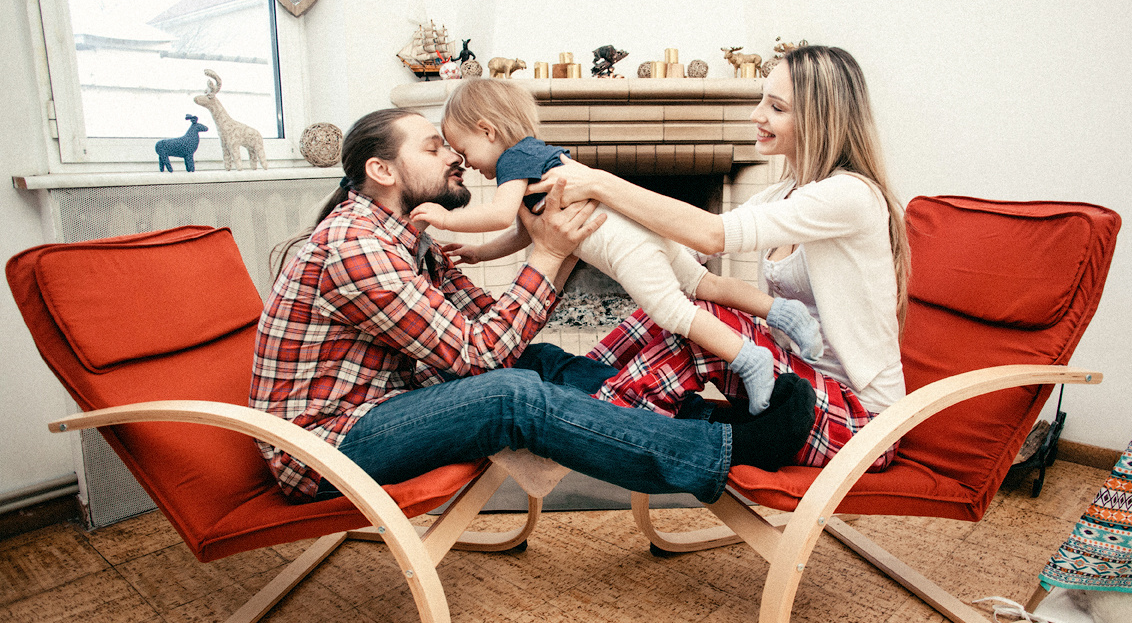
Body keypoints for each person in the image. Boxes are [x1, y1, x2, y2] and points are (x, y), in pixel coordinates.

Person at [249, 107, 815, 505]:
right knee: (508, 396)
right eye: (434, 147)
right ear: (383, 171)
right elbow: (480, 358)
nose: (455, 156)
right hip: (325, 447)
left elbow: (492, 328)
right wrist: (548, 251)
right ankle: (722, 450)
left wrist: (566, 246)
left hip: (387, 406)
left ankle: (713, 419)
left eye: (451, 143)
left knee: (540, 362)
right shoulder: (357, 247)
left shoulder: (408, 236)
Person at [534, 45, 910, 471]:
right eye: (761, 99)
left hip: (862, 424)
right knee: (670, 310)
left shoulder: (850, 196)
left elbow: (712, 236)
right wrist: (590, 234)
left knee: (708, 322)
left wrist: (599, 183)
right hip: (792, 396)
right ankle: (576, 383)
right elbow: (686, 247)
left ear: (818, 118)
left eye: (776, 107)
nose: (756, 115)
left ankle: (578, 424)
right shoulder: (781, 194)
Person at [410, 78, 822, 414]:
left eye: (466, 152)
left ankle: (750, 358)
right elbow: (526, 231)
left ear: (488, 130)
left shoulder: (513, 161)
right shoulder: (535, 156)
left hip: (626, 248)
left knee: (673, 311)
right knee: (701, 283)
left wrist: (446, 218)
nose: (470, 166)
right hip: (640, 230)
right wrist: (481, 253)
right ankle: (785, 313)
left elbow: (501, 215)